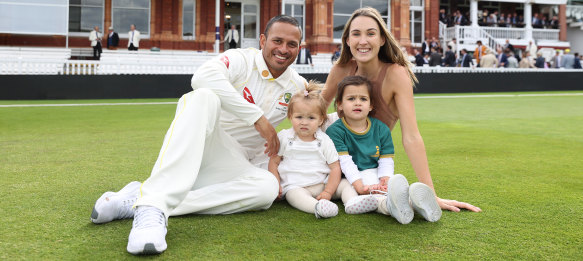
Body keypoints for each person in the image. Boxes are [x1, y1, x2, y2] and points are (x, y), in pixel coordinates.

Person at [91, 15, 306, 255]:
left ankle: (141, 199)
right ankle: (152, 208)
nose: (283, 49)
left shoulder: (297, 86)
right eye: (277, 40)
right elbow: (201, 77)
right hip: (202, 147)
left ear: (300, 47)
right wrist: (257, 118)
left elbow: (320, 112)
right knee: (203, 96)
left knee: (266, 189)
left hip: (234, 165)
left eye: (292, 44)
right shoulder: (241, 59)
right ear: (263, 40)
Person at [321, 7, 481, 214]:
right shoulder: (340, 69)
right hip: (335, 157)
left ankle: (393, 200)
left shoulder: (396, 75)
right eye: (356, 34)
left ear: (382, 40)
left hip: (366, 165)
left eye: (370, 33)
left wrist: (430, 193)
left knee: (373, 186)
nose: (362, 41)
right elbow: (317, 114)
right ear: (347, 40)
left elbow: (412, 136)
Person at [326, 75, 442, 224]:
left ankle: (417, 203)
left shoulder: (381, 128)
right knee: (371, 196)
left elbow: (386, 159)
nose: (357, 103)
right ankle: (394, 207)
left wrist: (385, 179)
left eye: (363, 99)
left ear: (371, 105)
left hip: (375, 173)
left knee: (390, 187)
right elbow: (345, 162)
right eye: (351, 99)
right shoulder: (335, 131)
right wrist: (360, 186)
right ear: (340, 104)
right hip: (351, 178)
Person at [268, 81, 341, 219]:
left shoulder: (324, 140)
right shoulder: (285, 137)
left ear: (321, 120)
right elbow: (274, 162)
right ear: (290, 117)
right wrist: (276, 184)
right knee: (294, 196)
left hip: (321, 184)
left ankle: (352, 200)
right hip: (295, 186)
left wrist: (328, 192)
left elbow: (335, 167)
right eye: (299, 117)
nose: (304, 122)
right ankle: (317, 207)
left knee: (344, 185)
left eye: (311, 118)